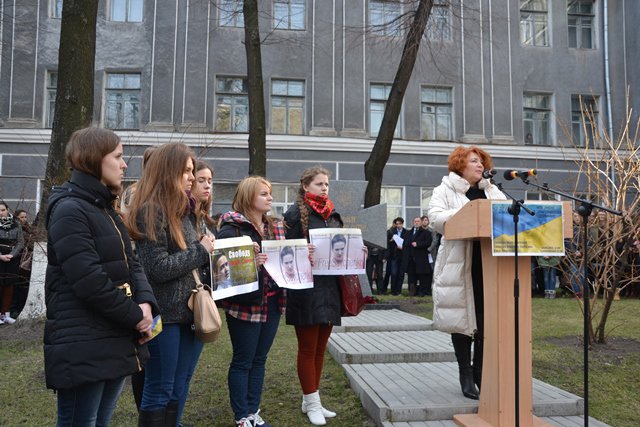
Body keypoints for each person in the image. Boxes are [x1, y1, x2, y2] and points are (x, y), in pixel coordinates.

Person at [43, 127, 159, 426]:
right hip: (85, 341)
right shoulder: (70, 209)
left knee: (101, 421)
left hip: (114, 334)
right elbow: (89, 281)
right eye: (118, 157)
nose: (124, 164)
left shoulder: (104, 207)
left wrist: (146, 303)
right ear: (94, 159)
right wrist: (136, 316)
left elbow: (132, 263)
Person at [125, 142, 215, 427]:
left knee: (179, 385)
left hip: (188, 313)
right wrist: (201, 251)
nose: (191, 177)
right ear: (169, 171)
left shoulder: (182, 209)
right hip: (165, 316)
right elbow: (157, 268)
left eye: (192, 171)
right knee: (159, 389)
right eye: (187, 171)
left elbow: (187, 260)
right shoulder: (152, 209)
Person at [428, 145, 506, 400]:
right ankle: (465, 374)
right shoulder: (444, 190)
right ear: (460, 165)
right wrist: (469, 212)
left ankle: (480, 372)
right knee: (462, 321)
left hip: (489, 264)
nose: (480, 165)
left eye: (482, 161)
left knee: (486, 321)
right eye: (474, 161)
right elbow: (436, 219)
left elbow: (505, 216)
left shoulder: (491, 190)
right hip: (460, 263)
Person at [217, 176, 286, 427]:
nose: (270, 198)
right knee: (243, 360)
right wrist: (250, 266)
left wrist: (302, 255)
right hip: (245, 306)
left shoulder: (275, 227)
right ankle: (241, 416)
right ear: (248, 197)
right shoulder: (231, 228)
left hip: (272, 303)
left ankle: (253, 410)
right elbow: (222, 275)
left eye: (269, 193)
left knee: (260, 359)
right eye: (264, 194)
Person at [284, 166, 344, 426]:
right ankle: (312, 403)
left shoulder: (331, 213)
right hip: (306, 289)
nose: (324, 188)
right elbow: (283, 249)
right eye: (319, 184)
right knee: (308, 349)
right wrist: (300, 250)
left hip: (330, 287)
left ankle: (311, 398)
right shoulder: (295, 213)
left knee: (321, 348)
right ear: (306, 186)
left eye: (327, 184)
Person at [0, 201, 24, 325]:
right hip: (0, 257)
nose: (1, 213)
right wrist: (1, 256)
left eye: (3, 210)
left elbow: (20, 242)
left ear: (7, 210)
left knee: (9, 286)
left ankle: (5, 315)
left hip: (12, 257)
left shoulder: (16, 224)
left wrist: (12, 254)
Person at [11, 209, 33, 319]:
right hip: (16, 261)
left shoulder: (28, 229)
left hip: (25, 263)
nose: (24, 219)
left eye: (25, 217)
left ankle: (18, 309)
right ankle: (14, 309)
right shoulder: (15, 229)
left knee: (22, 286)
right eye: (21, 217)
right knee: (16, 286)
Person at [405, 216, 433, 297]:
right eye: (415, 221)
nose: (416, 223)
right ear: (413, 222)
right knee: (411, 276)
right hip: (411, 259)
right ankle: (412, 291)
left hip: (421, 258)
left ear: (421, 223)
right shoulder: (408, 233)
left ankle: (422, 292)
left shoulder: (426, 233)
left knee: (422, 276)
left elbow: (428, 242)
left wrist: (418, 244)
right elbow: (406, 244)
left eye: (418, 221)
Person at [387, 217, 408, 296]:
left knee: (401, 274)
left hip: (403, 255)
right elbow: (388, 243)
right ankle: (393, 292)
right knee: (394, 273)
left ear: (402, 224)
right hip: (394, 256)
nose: (398, 225)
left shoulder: (406, 232)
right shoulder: (392, 231)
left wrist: (402, 247)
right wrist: (391, 240)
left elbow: (408, 244)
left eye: (400, 224)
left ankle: (399, 291)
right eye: (397, 224)